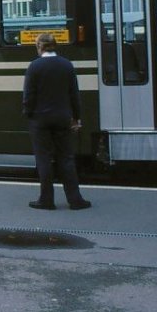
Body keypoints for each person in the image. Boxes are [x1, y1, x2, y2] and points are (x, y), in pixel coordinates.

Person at [22, 33, 91, 211]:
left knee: (43, 159)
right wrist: (76, 118)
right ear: (54, 46)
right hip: (62, 117)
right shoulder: (66, 65)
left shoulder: (34, 67)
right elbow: (74, 94)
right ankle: (75, 200)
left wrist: (28, 114)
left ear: (40, 47)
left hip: (40, 119)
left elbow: (29, 95)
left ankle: (46, 200)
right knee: (67, 158)